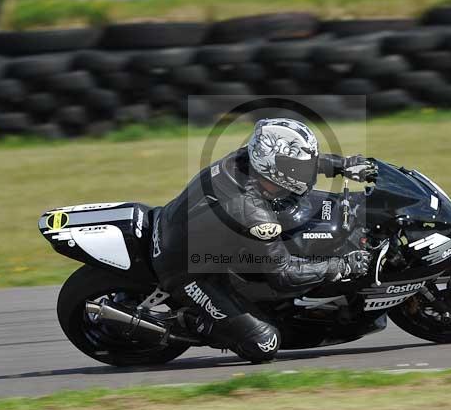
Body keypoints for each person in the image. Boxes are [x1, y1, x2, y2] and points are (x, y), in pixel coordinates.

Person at [150, 118, 377, 362]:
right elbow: (284, 275)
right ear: (272, 167)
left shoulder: (248, 159)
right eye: (298, 168)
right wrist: (340, 266)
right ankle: (192, 322)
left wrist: (343, 164)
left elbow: (294, 162)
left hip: (182, 227)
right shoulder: (252, 212)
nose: (305, 172)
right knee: (264, 344)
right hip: (188, 270)